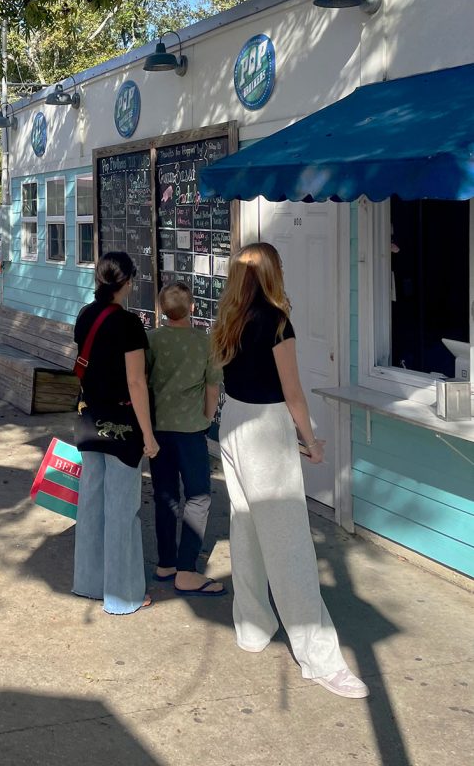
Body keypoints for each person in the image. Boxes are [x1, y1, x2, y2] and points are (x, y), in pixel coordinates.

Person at [212, 242, 368, 699]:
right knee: (289, 542)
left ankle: (253, 625)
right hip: (265, 427)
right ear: (273, 273)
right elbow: (293, 392)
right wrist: (311, 440)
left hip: (234, 422)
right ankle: (319, 657)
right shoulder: (277, 322)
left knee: (246, 528)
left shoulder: (230, 319)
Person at [72, 251, 159, 615]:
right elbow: (136, 382)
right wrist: (149, 435)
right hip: (123, 424)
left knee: (91, 502)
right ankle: (122, 595)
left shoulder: (85, 315)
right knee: (122, 509)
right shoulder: (129, 324)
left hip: (90, 420)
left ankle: (89, 583)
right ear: (128, 282)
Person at [148, 282, 226, 596]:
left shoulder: (150, 340)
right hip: (192, 431)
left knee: (165, 495)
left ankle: (166, 562)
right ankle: (187, 569)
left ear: (161, 309)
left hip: (158, 430)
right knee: (198, 497)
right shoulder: (205, 342)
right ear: (193, 307)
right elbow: (212, 387)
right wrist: (207, 418)